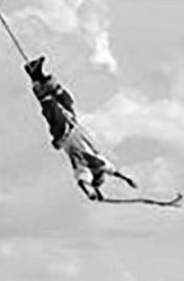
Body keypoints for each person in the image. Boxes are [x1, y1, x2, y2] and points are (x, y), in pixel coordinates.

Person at [24, 56, 137, 201]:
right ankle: (38, 73)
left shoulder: (83, 167)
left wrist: (90, 192)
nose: (103, 173)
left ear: (94, 175)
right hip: (73, 124)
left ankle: (34, 77)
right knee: (65, 100)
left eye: (101, 175)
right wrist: (127, 179)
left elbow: (82, 182)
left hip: (64, 133)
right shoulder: (101, 162)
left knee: (51, 106)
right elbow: (114, 171)